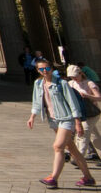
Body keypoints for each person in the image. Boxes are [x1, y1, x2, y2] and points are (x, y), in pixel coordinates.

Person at [28, 58, 95, 188]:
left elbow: (72, 103)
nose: (44, 71)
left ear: (51, 69)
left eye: (47, 68)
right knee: (73, 150)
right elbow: (36, 101)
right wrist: (32, 117)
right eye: (41, 69)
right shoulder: (38, 84)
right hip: (54, 120)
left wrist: (77, 122)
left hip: (66, 119)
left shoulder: (62, 83)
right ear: (37, 70)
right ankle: (88, 177)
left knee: (58, 147)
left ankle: (53, 178)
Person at [67, 65, 101, 162]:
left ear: (80, 73)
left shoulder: (89, 83)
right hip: (79, 113)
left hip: (91, 112)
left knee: (83, 133)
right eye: (71, 77)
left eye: (75, 76)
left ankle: (78, 158)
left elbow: (99, 97)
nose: (74, 79)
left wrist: (87, 96)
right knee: (94, 135)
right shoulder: (70, 84)